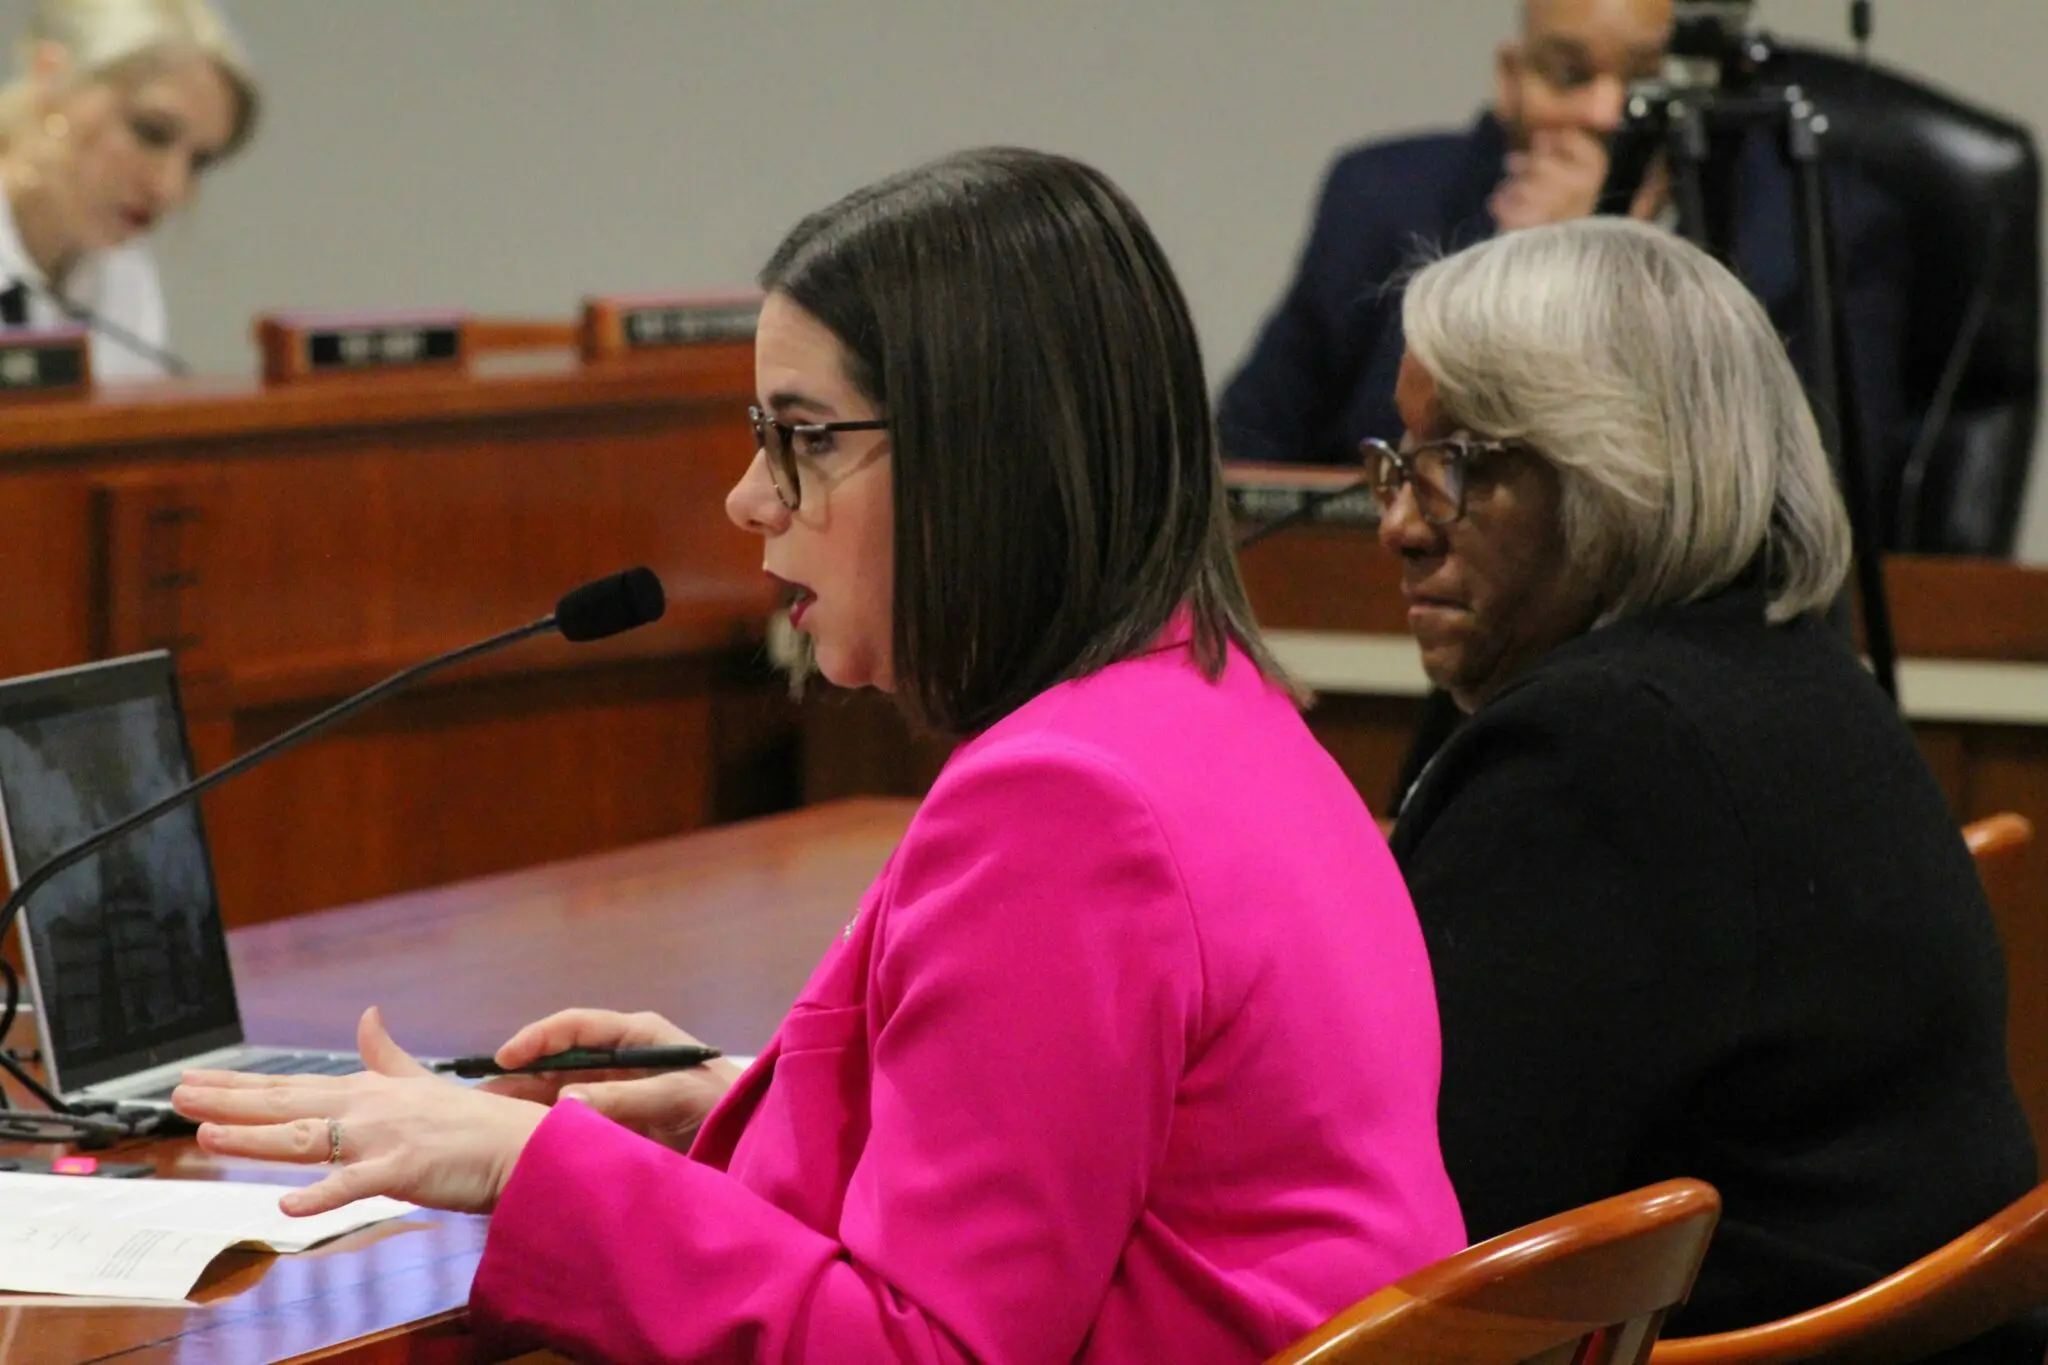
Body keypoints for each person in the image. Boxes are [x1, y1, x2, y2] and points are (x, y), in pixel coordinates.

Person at [172, 147, 1469, 1364]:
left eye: (802, 435)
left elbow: (917, 1347)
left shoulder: (1072, 805)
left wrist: (524, 1167)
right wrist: (745, 1104)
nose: (749, 496)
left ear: (981, 454)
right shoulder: (1216, 706)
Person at [1371, 215, 2039, 1358]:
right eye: (1397, 462)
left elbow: (1428, 1237)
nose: (1397, 526)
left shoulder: (1597, 758)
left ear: (1612, 468)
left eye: (1459, 467)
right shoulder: (1794, 678)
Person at [1217, 0, 1909, 530]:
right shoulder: (1382, 201)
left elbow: (1813, 507)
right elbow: (1240, 460)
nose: (1606, 112)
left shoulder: (1814, 233)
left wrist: (1592, 281)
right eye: (1570, 75)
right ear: (1512, 80)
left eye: (1645, 77)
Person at [0, 0, 258, 380]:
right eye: (150, 132)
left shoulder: (124, 273)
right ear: (51, 77)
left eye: (198, 162)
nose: (170, 188)